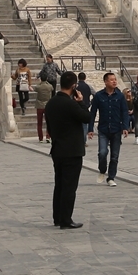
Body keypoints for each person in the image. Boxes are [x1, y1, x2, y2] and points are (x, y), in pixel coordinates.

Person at [46, 71, 87, 228]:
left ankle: (57, 217)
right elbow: (86, 117)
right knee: (69, 186)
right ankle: (66, 219)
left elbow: (49, 127)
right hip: (72, 151)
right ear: (74, 86)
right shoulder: (70, 104)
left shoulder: (51, 103)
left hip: (57, 148)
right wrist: (81, 102)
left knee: (59, 185)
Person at [87, 70, 131, 186]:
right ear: (105, 82)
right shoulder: (98, 96)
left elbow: (124, 112)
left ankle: (111, 177)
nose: (114, 81)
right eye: (111, 80)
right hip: (103, 129)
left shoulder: (120, 96)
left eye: (115, 79)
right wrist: (90, 129)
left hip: (116, 129)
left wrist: (125, 127)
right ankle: (102, 169)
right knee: (102, 152)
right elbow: (92, 113)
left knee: (114, 156)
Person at [33, 71, 54, 143]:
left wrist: (39, 82)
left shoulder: (38, 87)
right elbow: (52, 89)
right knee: (48, 122)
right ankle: (48, 136)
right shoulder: (50, 86)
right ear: (47, 78)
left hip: (39, 105)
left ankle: (40, 138)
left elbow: (35, 89)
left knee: (39, 123)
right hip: (47, 105)